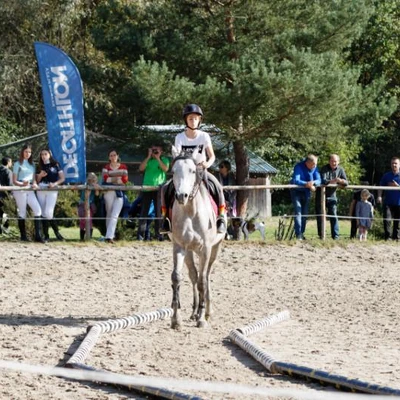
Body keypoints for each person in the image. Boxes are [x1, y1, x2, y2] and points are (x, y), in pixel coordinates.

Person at [161, 104, 226, 234]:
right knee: (165, 189)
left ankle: (221, 218)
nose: (193, 121)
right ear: (186, 120)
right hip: (184, 173)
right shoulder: (179, 137)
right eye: (191, 118)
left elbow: (212, 156)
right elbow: (177, 155)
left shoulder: (204, 136)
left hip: (201, 171)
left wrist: (207, 164)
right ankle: (165, 219)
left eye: (196, 118)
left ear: (199, 120)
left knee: (218, 187)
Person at [12, 144, 45, 242]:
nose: (28, 154)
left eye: (29, 152)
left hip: (30, 188)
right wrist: (22, 184)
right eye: (26, 151)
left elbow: (34, 179)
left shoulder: (32, 165)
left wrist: (34, 183)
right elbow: (14, 180)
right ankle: (23, 236)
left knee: (38, 210)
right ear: (22, 152)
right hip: (20, 189)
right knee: (22, 212)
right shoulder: (17, 164)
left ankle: (38, 236)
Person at [138, 144, 170, 241]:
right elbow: (141, 168)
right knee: (144, 212)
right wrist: (148, 156)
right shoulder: (148, 160)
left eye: (157, 150)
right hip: (147, 189)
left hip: (158, 189)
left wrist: (158, 158)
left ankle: (159, 235)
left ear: (161, 151)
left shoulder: (164, 160)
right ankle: (141, 235)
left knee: (159, 213)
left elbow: (165, 169)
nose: (155, 151)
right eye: (153, 150)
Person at [315, 154, 348, 240]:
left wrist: (341, 181)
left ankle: (336, 236)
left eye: (335, 161)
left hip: (332, 196)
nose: (334, 163)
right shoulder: (324, 168)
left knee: (333, 215)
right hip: (321, 196)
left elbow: (346, 182)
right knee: (320, 216)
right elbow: (323, 181)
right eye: (332, 161)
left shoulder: (341, 169)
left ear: (338, 162)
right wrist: (334, 181)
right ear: (329, 161)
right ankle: (321, 235)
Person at [36, 148, 65, 241]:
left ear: (49, 154)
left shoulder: (55, 164)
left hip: (52, 189)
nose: (43, 156)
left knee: (49, 213)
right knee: (43, 213)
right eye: (42, 154)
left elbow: (62, 178)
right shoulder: (39, 166)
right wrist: (40, 176)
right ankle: (46, 235)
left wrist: (55, 184)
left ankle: (57, 233)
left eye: (45, 154)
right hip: (41, 189)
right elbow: (36, 181)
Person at [290, 154, 321, 240]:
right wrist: (306, 184)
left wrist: (313, 183)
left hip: (306, 193)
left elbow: (319, 179)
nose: (315, 166)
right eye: (313, 164)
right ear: (307, 163)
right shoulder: (298, 167)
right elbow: (296, 180)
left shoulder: (315, 167)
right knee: (298, 213)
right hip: (296, 192)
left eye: (315, 164)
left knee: (305, 214)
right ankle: (298, 234)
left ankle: (302, 233)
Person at [101, 149, 128, 243]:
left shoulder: (123, 166)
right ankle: (108, 235)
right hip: (109, 192)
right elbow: (105, 179)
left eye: (114, 155)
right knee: (109, 212)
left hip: (119, 192)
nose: (113, 157)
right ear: (109, 157)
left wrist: (112, 179)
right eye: (111, 155)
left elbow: (125, 180)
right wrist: (117, 179)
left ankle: (109, 236)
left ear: (117, 156)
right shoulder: (106, 167)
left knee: (115, 214)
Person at [377, 157, 400, 241]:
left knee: (397, 222)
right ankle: (387, 237)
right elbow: (380, 187)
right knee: (387, 220)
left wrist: (398, 186)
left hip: (399, 203)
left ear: (399, 165)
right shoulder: (386, 176)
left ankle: (396, 237)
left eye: (396, 163)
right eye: (392, 163)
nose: (394, 165)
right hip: (388, 202)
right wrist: (379, 196)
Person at [77, 172, 100, 241]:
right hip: (82, 204)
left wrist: (96, 188)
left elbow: (97, 195)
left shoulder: (94, 186)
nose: (92, 182)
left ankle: (89, 237)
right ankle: (82, 238)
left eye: (94, 180)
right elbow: (86, 197)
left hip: (90, 206)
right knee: (83, 221)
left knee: (89, 221)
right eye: (91, 180)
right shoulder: (85, 185)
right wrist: (89, 190)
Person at [0, 156, 13, 234]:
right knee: (7, 212)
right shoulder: (8, 171)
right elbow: (10, 184)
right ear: (8, 162)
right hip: (5, 195)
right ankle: (5, 228)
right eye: (11, 162)